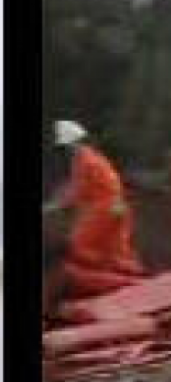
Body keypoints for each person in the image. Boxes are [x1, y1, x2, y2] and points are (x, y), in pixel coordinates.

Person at [43, 120, 145, 299]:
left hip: (105, 208)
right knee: (113, 252)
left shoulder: (82, 159)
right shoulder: (92, 158)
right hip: (117, 207)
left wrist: (51, 207)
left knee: (79, 248)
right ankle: (137, 280)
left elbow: (74, 191)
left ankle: (118, 285)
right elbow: (73, 189)